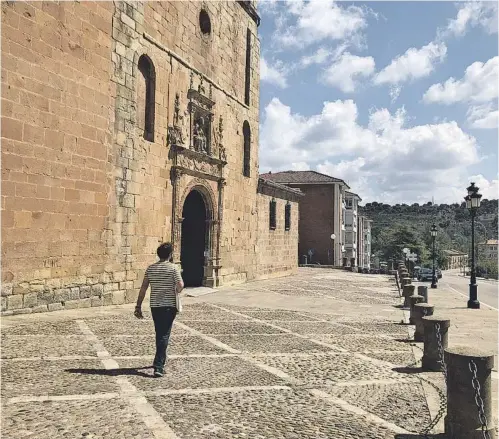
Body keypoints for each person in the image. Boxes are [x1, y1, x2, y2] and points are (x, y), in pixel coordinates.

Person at [134, 243, 184, 377]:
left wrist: (138, 306)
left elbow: (143, 288)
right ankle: (159, 366)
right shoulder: (173, 268)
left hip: (155, 306)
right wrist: (175, 290)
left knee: (160, 333)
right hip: (169, 306)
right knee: (164, 334)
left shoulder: (151, 269)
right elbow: (180, 285)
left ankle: (158, 361)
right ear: (170, 254)